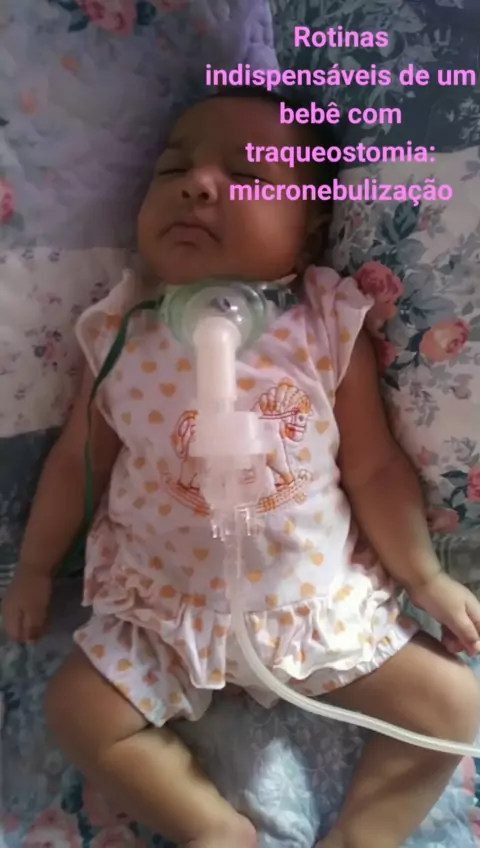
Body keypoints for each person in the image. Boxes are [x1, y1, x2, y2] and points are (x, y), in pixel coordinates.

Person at [3, 88, 480, 848]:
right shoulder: (124, 329)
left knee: (453, 707)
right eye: (173, 169)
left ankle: (363, 835)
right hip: (164, 612)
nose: (198, 185)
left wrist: (423, 578)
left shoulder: (322, 324)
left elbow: (375, 470)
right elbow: (75, 462)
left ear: (306, 231)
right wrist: (34, 567)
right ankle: (211, 829)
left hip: (311, 606)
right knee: (77, 711)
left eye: (249, 175)